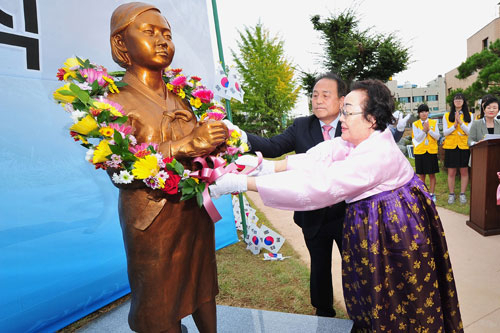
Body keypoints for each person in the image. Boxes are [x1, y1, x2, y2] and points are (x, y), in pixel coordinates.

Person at [211, 79, 463, 332]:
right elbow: (327, 153)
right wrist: (269, 166)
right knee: (370, 287)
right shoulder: (364, 137)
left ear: (371, 118)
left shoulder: (376, 155)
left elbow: (320, 186)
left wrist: (246, 183)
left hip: (392, 231)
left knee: (394, 291)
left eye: (348, 111)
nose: (341, 117)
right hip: (374, 224)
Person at [108, 3, 228, 332]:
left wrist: (218, 145)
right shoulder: (113, 101)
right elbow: (119, 167)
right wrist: (184, 145)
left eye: (167, 35)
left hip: (192, 209)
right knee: (157, 301)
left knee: (202, 280)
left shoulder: (182, 97)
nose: (163, 41)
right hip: (151, 215)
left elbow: (203, 151)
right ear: (121, 43)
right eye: (149, 32)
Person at [442, 93, 471, 205]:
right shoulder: (446, 116)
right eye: (456, 99)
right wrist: (454, 125)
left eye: (460, 99)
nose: (458, 101)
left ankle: (462, 194)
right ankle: (451, 194)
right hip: (451, 146)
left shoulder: (470, 115)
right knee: (452, 171)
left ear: (464, 102)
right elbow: (444, 132)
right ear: (453, 102)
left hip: (464, 146)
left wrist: (461, 123)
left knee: (464, 171)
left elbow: (469, 132)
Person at [412, 104, 440, 202]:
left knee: (432, 174)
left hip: (431, 151)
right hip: (420, 152)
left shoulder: (433, 122)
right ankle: (423, 194)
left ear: (428, 112)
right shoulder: (415, 124)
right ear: (419, 114)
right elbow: (417, 138)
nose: (424, 113)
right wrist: (424, 130)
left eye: (425, 111)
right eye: (421, 112)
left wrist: (429, 130)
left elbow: (437, 136)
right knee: (422, 175)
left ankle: (432, 194)